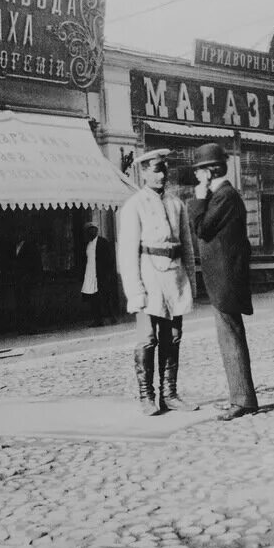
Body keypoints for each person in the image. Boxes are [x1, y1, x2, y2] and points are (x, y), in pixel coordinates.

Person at [117, 149, 199, 415]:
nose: (161, 175)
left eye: (164, 169)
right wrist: (135, 292)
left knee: (173, 337)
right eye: (155, 169)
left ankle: (170, 394)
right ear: (143, 173)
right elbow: (127, 254)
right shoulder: (134, 206)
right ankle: (146, 397)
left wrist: (191, 283)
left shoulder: (177, 204)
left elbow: (186, 246)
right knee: (147, 339)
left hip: (174, 277)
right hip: (149, 278)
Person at [187, 142, 259, 421]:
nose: (196, 177)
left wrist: (198, 197)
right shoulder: (225, 196)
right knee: (229, 336)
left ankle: (242, 399)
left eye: (199, 171)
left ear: (210, 171)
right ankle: (239, 396)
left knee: (230, 339)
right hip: (225, 279)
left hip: (226, 280)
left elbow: (202, 229)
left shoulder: (224, 197)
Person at [80, 224, 118, 327]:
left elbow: (109, 259)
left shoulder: (102, 242)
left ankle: (111, 317)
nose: (90, 233)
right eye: (88, 231)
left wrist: (108, 273)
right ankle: (97, 320)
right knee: (93, 298)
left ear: (96, 231)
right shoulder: (88, 244)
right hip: (90, 274)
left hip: (101, 274)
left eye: (92, 230)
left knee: (104, 297)